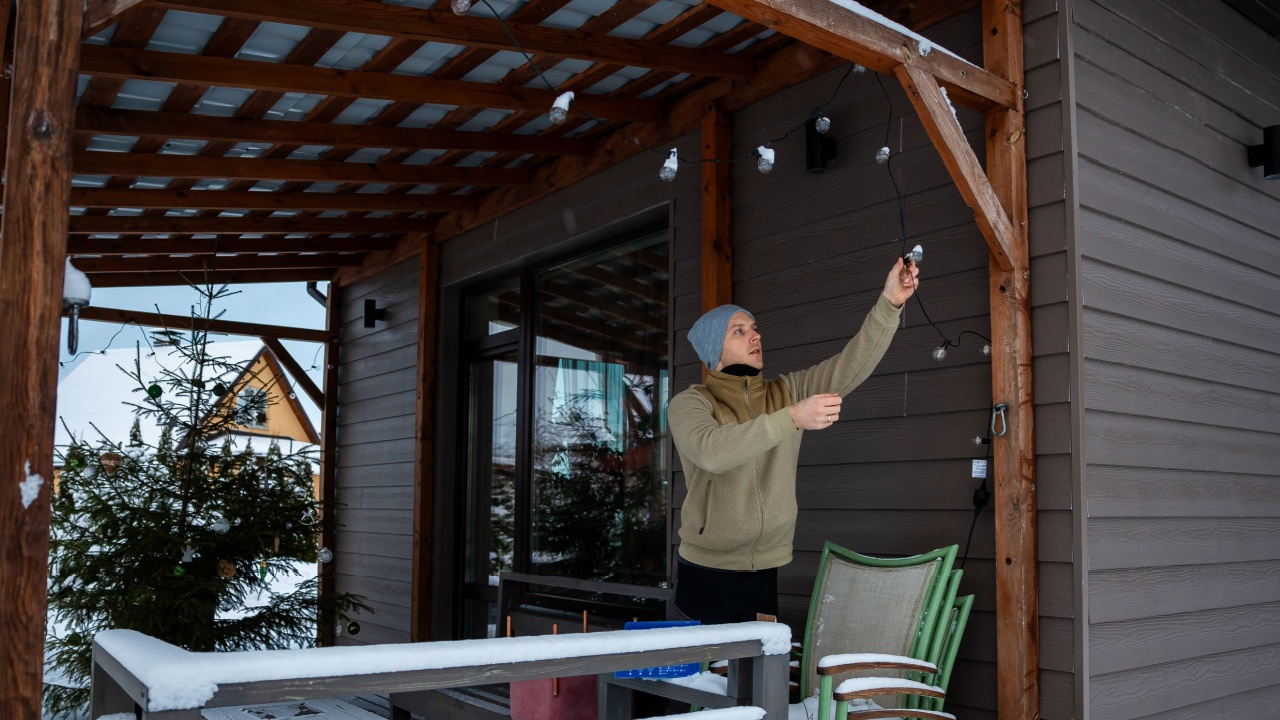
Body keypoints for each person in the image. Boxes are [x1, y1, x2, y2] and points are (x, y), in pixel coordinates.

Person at [666, 257, 919, 624]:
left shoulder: (787, 391)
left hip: (767, 568)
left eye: (754, 327)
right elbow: (712, 452)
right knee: (705, 680)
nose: (756, 335)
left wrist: (890, 303)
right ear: (712, 351)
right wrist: (792, 418)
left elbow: (851, 364)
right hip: (707, 571)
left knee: (757, 677)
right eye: (738, 331)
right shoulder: (691, 403)